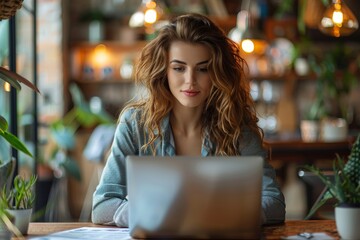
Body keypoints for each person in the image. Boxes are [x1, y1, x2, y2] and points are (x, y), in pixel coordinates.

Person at [92, 13, 285, 227]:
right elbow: (102, 206)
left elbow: (274, 203)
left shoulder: (236, 124)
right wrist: (148, 213)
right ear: (163, 70)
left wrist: (230, 214)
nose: (190, 81)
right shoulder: (135, 124)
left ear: (217, 72)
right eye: (178, 68)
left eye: (203, 69)